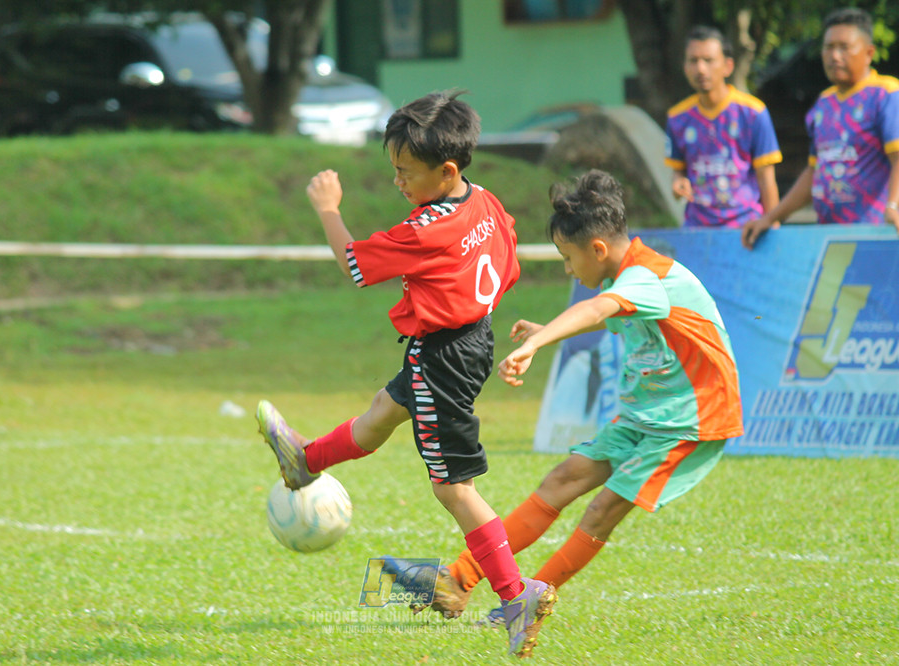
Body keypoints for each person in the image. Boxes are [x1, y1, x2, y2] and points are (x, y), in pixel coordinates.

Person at [256, 90, 557, 657]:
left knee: (454, 488)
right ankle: (305, 460)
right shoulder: (486, 202)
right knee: (382, 412)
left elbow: (354, 265)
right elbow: (508, 264)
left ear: (445, 170)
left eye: (405, 172)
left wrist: (327, 206)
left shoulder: (426, 230)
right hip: (473, 341)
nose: (398, 182)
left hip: (442, 356)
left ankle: (515, 595)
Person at [405, 169, 743, 625]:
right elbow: (615, 311)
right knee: (561, 480)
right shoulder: (626, 277)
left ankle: (530, 604)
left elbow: (599, 308)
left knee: (602, 509)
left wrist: (535, 344)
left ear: (597, 249)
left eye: (567, 258)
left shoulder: (647, 275)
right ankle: (458, 579)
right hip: (648, 413)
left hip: (692, 419)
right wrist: (548, 331)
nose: (568, 269)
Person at [742, 7, 899, 248]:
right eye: (828, 47)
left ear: (869, 53)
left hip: (877, 234)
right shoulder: (823, 104)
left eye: (844, 47)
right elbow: (815, 172)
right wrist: (771, 218)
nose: (834, 56)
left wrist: (894, 206)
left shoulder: (886, 95)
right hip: (829, 239)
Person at [665, 25, 782, 228]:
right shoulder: (677, 118)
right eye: (693, 61)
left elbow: (767, 179)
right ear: (685, 67)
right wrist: (678, 184)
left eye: (708, 61)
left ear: (728, 66)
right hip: (697, 228)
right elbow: (679, 171)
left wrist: (774, 229)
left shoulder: (753, 113)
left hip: (746, 227)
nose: (700, 69)